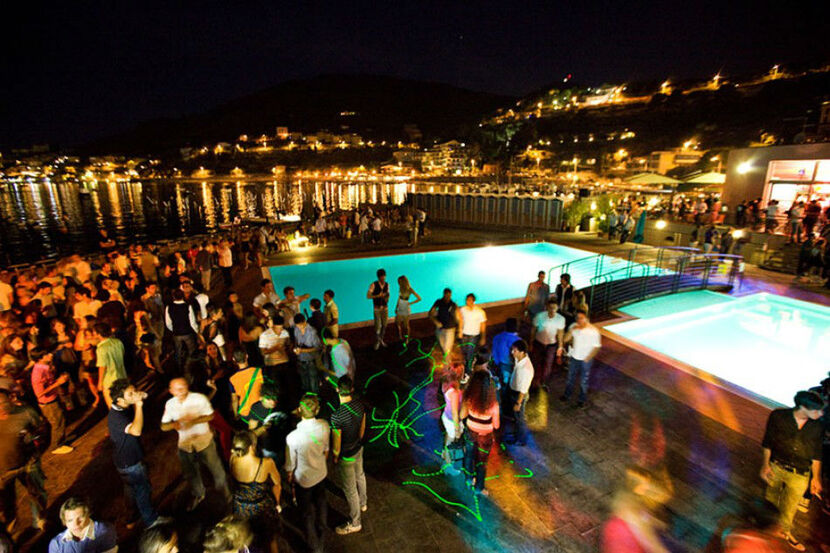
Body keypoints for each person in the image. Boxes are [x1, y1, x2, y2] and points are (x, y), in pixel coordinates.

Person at [759, 390, 824, 551]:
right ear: (802, 407)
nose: (820, 414)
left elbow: (816, 453)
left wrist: (816, 478)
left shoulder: (817, 426)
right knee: (771, 501)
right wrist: (765, 465)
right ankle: (765, 533)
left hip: (800, 473)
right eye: (816, 410)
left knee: (790, 506)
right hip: (776, 466)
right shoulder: (778, 416)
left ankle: (785, 532)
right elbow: (767, 442)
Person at [160, 378, 230, 512]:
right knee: (191, 473)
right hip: (185, 444)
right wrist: (174, 425)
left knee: (216, 470)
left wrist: (194, 421)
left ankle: (226, 497)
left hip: (204, 441)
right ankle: (199, 495)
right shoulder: (170, 404)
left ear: (187, 386)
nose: (180, 391)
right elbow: (163, 426)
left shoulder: (199, 399)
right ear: (171, 391)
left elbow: (210, 416)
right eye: (177, 389)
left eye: (183, 387)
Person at [107, 379, 165, 528]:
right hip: (130, 462)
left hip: (123, 461)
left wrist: (138, 395)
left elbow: (143, 395)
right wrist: (138, 406)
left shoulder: (120, 406)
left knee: (131, 489)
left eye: (134, 390)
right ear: (120, 399)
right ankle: (151, 521)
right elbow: (136, 431)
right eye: (130, 394)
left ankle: (131, 517)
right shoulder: (116, 417)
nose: (134, 395)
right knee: (142, 490)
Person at [285, 394, 330, 553]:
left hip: (304, 479)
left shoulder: (292, 437)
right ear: (317, 409)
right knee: (321, 501)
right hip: (321, 473)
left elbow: (290, 463)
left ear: (299, 410)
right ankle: (322, 527)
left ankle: (315, 544)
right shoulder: (324, 425)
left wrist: (290, 475)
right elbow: (326, 449)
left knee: (306, 513)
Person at [0, 390, 48, 532]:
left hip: (29, 463)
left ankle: (39, 520)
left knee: (37, 493)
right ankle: (10, 527)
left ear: (11, 399)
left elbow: (43, 429)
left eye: (3, 402)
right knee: (5, 501)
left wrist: (36, 443)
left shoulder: (26, 412)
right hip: (2, 469)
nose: (1, 407)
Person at [229, 431, 281, 553]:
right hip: (261, 509)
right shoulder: (266, 463)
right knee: (270, 538)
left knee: (245, 539)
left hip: (240, 508)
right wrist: (277, 503)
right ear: (252, 447)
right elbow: (277, 484)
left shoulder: (232, 459)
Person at [600, 466, 671, 553]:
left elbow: (646, 517)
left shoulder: (625, 500)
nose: (647, 487)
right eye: (645, 483)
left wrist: (657, 523)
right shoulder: (633, 512)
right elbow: (652, 545)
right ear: (635, 485)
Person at [330, 376, 368, 535]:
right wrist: (358, 440)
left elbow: (336, 442)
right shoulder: (360, 405)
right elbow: (363, 425)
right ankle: (363, 503)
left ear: (338, 390)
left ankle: (355, 522)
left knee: (350, 489)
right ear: (351, 389)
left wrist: (335, 456)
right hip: (358, 448)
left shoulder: (336, 415)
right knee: (360, 475)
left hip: (346, 455)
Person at [460, 370, 500, 495]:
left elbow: (462, 415)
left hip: (470, 432)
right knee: (481, 462)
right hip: (485, 437)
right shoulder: (493, 404)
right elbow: (496, 425)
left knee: (469, 457)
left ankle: (468, 479)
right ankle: (479, 488)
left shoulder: (469, 399)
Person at [30, 349, 73, 454]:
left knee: (60, 420)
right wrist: (58, 383)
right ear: (40, 358)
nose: (50, 354)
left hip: (53, 398)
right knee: (57, 423)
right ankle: (56, 446)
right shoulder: (37, 373)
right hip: (48, 403)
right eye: (46, 354)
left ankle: (60, 441)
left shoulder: (45, 367)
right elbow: (39, 394)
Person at [561, 309, 601, 408]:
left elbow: (597, 346)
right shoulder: (574, 327)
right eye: (577, 318)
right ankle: (567, 395)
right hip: (574, 357)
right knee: (570, 378)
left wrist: (588, 358)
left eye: (581, 318)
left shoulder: (593, 331)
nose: (579, 320)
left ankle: (582, 400)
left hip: (585, 360)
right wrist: (571, 330)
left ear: (587, 319)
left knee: (584, 381)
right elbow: (565, 339)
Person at [48, 497, 117, 553]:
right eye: (70, 520)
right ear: (64, 522)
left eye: (80, 518)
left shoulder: (105, 531)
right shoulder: (57, 544)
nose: (76, 524)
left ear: (88, 515)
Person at [246, 383, 289, 466]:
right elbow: (251, 434)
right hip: (268, 448)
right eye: (268, 399)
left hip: (283, 444)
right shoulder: (256, 409)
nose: (273, 402)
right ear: (261, 398)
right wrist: (264, 428)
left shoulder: (281, 403)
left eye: (274, 398)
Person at [529, 298, 565, 391]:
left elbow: (560, 334)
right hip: (539, 343)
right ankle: (533, 381)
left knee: (548, 365)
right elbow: (533, 330)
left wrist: (560, 347)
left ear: (557, 308)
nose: (552, 310)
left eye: (554, 308)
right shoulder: (540, 316)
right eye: (550, 308)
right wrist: (531, 343)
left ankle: (544, 382)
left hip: (551, 345)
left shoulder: (560, 319)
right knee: (535, 362)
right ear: (547, 307)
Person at [504, 339, 533, 446]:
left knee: (519, 419)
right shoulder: (519, 359)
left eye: (515, 351)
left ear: (522, 352)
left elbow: (523, 390)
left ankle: (521, 439)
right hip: (513, 390)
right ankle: (517, 434)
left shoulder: (526, 369)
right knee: (516, 417)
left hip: (519, 396)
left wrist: (518, 403)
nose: (512, 352)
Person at [165, 289, 200, 371]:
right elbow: (192, 322)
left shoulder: (169, 307)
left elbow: (168, 323)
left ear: (173, 296)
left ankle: (179, 369)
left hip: (176, 333)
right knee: (191, 350)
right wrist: (197, 331)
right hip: (187, 332)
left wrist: (173, 329)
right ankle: (193, 367)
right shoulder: (188, 306)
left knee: (178, 351)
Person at [94, 323, 126, 409]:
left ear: (98, 334)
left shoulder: (101, 348)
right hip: (122, 375)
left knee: (113, 406)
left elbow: (102, 366)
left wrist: (100, 383)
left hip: (109, 380)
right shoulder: (118, 342)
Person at [440, 364, 463, 475]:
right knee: (452, 440)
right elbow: (455, 412)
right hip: (451, 419)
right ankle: (449, 462)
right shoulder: (454, 392)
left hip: (446, 416)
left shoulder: (447, 385)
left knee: (449, 437)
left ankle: (444, 453)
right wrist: (457, 428)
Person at [491, 318, 520, 406]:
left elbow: (494, 351)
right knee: (509, 384)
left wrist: (496, 363)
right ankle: (507, 402)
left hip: (499, 363)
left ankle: (500, 402)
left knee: (501, 383)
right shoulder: (517, 340)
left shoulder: (497, 337)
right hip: (510, 365)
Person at [228, 350, 263, 420]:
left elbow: (234, 400)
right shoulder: (259, 371)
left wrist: (236, 414)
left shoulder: (232, 379)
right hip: (261, 407)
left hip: (246, 411)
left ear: (234, 359)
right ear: (247, 356)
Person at [458, 293, 487, 374]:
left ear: (474, 301)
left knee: (469, 353)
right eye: (467, 300)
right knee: (464, 351)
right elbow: (460, 320)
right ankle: (467, 365)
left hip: (473, 336)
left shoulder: (480, 312)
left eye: (470, 300)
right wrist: (460, 331)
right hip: (464, 335)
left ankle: (468, 370)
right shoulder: (463, 309)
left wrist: (483, 337)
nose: (468, 301)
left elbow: (483, 325)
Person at [293, 313, 322, 393]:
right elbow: (296, 342)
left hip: (311, 360)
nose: (300, 327)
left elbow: (318, 347)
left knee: (313, 384)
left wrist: (303, 350)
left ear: (305, 321)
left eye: (301, 325)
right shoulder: (296, 330)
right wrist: (296, 349)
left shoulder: (312, 332)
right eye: (298, 325)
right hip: (300, 360)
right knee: (304, 384)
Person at [429, 288, 461, 358]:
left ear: (451, 295)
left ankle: (447, 365)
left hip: (450, 329)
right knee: (443, 347)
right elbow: (430, 313)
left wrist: (459, 329)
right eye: (446, 295)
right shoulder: (438, 302)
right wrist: (436, 322)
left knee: (447, 349)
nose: (447, 297)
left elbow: (458, 317)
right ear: (443, 294)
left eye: (449, 296)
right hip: (440, 329)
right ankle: (447, 361)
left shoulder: (453, 304)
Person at [366, 269, 390, 350]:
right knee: (377, 326)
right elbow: (368, 296)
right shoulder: (373, 284)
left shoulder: (387, 285)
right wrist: (377, 296)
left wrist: (386, 297)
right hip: (377, 309)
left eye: (384, 277)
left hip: (385, 308)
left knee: (384, 325)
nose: (383, 278)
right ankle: (377, 341)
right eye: (381, 277)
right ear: (378, 277)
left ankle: (381, 339)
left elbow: (388, 296)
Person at [394, 275, 421, 344]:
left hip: (405, 307)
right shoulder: (400, 288)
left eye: (399, 281)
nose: (398, 283)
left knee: (406, 325)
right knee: (397, 323)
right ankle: (400, 336)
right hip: (400, 306)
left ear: (403, 282)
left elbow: (419, 298)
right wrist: (396, 307)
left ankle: (407, 338)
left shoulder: (409, 289)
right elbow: (399, 298)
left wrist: (410, 303)